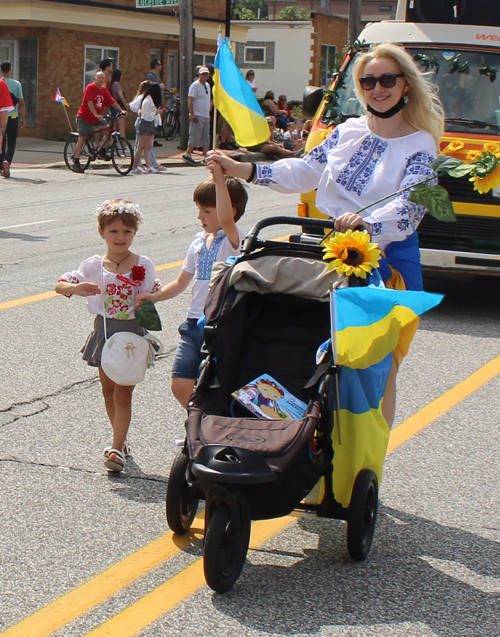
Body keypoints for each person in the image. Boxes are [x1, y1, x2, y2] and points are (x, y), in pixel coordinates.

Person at [207, 42, 445, 426]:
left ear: (406, 85)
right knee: (306, 347)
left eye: (387, 79)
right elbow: (304, 170)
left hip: (386, 262)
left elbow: (409, 209)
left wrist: (367, 224)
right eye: (368, 81)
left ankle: (366, 457)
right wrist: (245, 170)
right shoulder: (345, 131)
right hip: (330, 249)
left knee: (373, 369)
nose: (377, 89)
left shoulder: (420, 144)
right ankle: (299, 437)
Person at [55, 199, 161, 472]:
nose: (120, 237)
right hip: (104, 332)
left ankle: (116, 448)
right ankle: (121, 441)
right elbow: (60, 284)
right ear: (101, 232)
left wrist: (150, 298)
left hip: (131, 336)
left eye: (127, 231)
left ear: (135, 232)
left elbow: (153, 294)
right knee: (108, 390)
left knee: (123, 393)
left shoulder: (143, 264)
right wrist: (76, 289)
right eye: (113, 231)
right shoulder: (93, 265)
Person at [135, 165, 248, 409]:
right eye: (199, 210)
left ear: (230, 211)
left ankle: (212, 428)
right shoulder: (197, 242)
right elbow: (181, 282)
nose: (200, 217)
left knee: (220, 384)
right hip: (193, 322)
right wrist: (153, 297)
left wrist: (219, 179)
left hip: (220, 324)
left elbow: (226, 220)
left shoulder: (235, 240)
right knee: (181, 385)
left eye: (206, 211)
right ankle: (199, 426)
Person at [72, 71, 126, 173]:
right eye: (99, 78)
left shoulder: (104, 90)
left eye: (103, 78)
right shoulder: (90, 88)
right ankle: (76, 161)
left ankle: (102, 150)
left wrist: (121, 110)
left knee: (108, 131)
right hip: (84, 118)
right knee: (82, 139)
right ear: (95, 78)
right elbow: (89, 102)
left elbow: (111, 101)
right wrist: (95, 114)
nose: (101, 80)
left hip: (97, 119)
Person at [129, 80, 166, 172]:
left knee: (148, 147)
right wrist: (156, 113)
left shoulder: (151, 100)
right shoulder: (147, 100)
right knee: (140, 147)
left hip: (151, 124)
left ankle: (149, 166)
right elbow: (145, 116)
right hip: (145, 124)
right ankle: (134, 167)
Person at [182, 66, 212, 166]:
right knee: (195, 135)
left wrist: (208, 113)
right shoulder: (195, 85)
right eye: (203, 74)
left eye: (206, 74)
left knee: (205, 137)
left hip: (205, 115)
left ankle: (206, 156)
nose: (205, 76)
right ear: (199, 75)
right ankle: (187, 153)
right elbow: (191, 100)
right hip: (198, 115)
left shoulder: (207, 85)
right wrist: (192, 113)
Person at [0, 61, 25, 179]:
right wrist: (23, 118)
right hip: (13, 116)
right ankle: (7, 161)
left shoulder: (1, 83)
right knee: (12, 142)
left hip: (1, 116)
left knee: (2, 141)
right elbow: (22, 103)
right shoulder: (17, 84)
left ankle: (1, 165)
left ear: (1, 70)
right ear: (10, 69)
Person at [109, 68, 128, 138]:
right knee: (122, 127)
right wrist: (126, 104)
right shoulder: (116, 84)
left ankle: (110, 144)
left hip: (113, 107)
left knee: (114, 128)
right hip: (119, 106)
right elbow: (121, 96)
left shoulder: (112, 84)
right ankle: (124, 146)